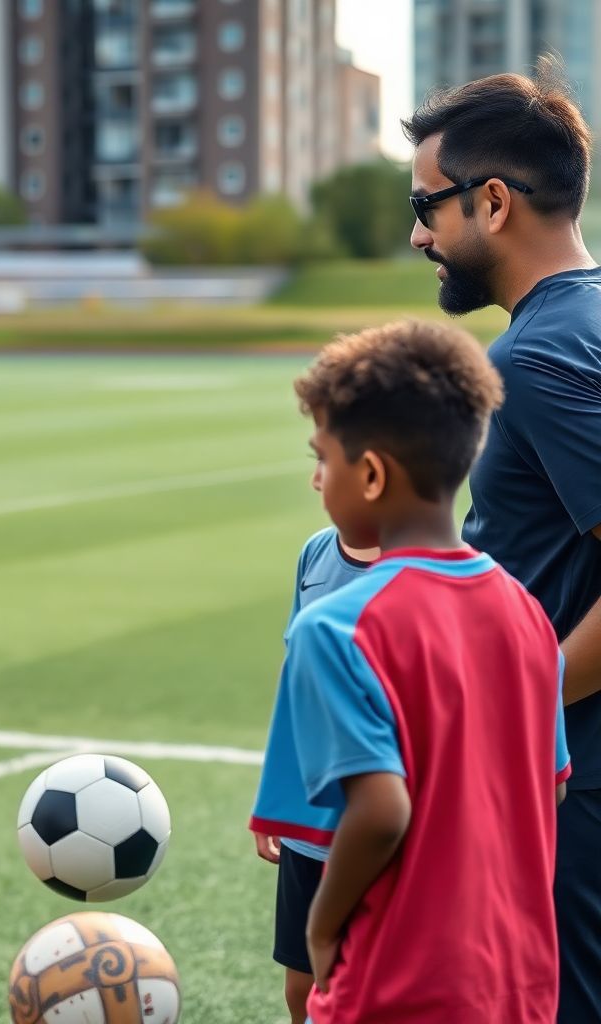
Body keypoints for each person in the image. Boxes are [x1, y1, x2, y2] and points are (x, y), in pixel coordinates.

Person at [266, 320, 569, 1023]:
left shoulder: (338, 627)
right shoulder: (528, 616)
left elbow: (379, 810)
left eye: (324, 457)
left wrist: (322, 927)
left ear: (370, 474)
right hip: (518, 984)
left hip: (394, 989)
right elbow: (547, 796)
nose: (318, 477)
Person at [404, 59, 601, 1022]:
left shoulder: (541, 353)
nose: (417, 234)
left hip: (575, 781)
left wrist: (516, 716)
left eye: (426, 205)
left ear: (490, 202)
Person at [251, 520, 377, 1023]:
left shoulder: (417, 571)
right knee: (301, 990)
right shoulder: (316, 552)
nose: (318, 479)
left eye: (328, 462)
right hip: (310, 825)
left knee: (367, 986)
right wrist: (273, 801)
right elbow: (294, 673)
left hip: (379, 828)